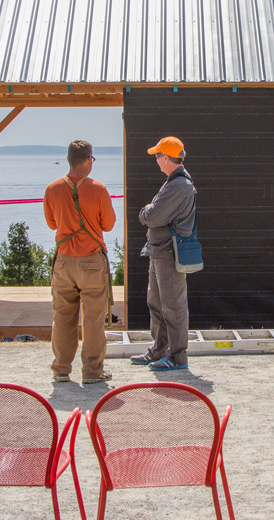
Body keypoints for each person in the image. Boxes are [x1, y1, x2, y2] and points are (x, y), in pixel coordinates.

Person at [44, 139, 116, 384]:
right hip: (91, 260)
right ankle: (92, 372)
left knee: (62, 317)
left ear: (68, 160)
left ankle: (62, 369)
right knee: (93, 318)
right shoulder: (99, 189)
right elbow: (108, 224)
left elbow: (52, 224)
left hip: (63, 261)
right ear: (88, 160)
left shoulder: (52, 189)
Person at [131, 136, 197, 372]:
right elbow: (156, 213)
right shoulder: (174, 182)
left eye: (157, 156)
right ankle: (159, 350)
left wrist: (146, 210)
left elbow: (153, 216)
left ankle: (177, 356)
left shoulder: (178, 185)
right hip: (160, 251)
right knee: (157, 302)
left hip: (168, 252)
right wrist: (151, 210)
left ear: (166, 158)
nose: (156, 160)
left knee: (173, 305)